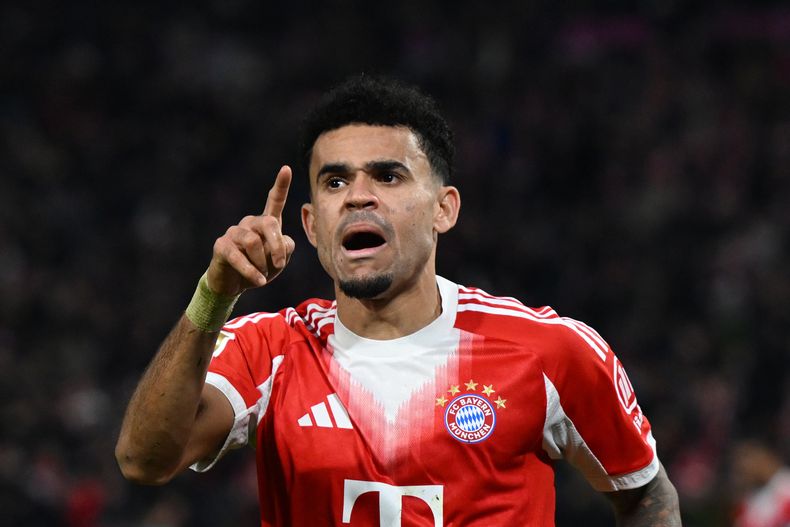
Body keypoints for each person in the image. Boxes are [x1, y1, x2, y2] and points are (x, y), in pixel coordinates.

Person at [116, 75, 681, 526]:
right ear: (310, 225)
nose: (358, 196)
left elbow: (644, 495)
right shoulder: (270, 349)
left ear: (444, 209)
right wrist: (214, 296)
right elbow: (144, 460)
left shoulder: (550, 351)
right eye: (335, 182)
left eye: (387, 176)